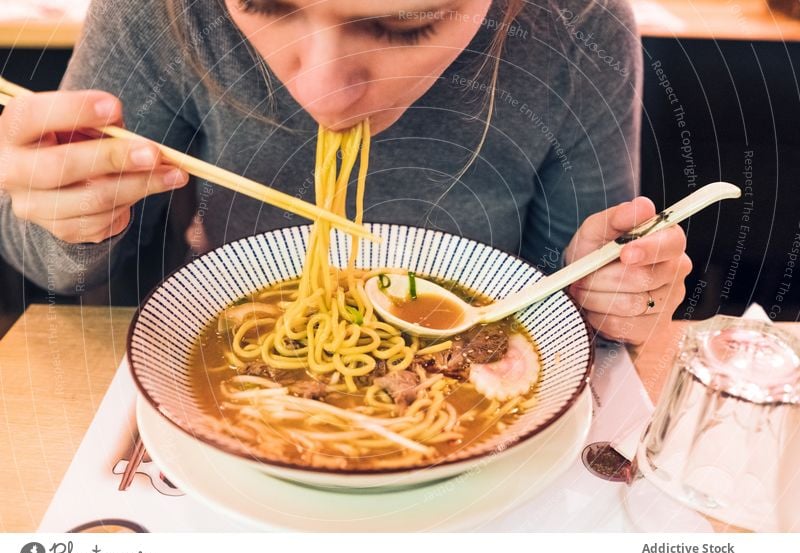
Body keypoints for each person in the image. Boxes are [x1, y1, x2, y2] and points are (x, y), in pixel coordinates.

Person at [0, 0, 690, 345]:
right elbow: (44, 260)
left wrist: (614, 288)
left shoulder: (576, 21)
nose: (324, 95)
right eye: (266, 3)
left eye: (406, 24)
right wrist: (70, 213)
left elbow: (573, 292)